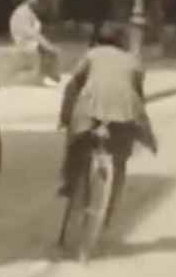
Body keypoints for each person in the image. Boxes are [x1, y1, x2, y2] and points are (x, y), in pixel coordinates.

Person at [57, 24, 158, 200]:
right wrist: (147, 134)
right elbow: (139, 97)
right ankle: (115, 192)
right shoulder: (133, 61)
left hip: (89, 110)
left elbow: (73, 85)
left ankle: (70, 183)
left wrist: (65, 117)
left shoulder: (92, 54)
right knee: (121, 153)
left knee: (76, 141)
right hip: (123, 113)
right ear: (122, 42)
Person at [10, 0, 60, 86]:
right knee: (48, 50)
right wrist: (46, 44)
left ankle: (49, 75)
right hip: (24, 41)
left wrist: (46, 43)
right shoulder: (21, 12)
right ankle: (49, 75)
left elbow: (35, 32)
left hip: (30, 40)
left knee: (50, 49)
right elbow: (31, 33)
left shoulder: (29, 11)